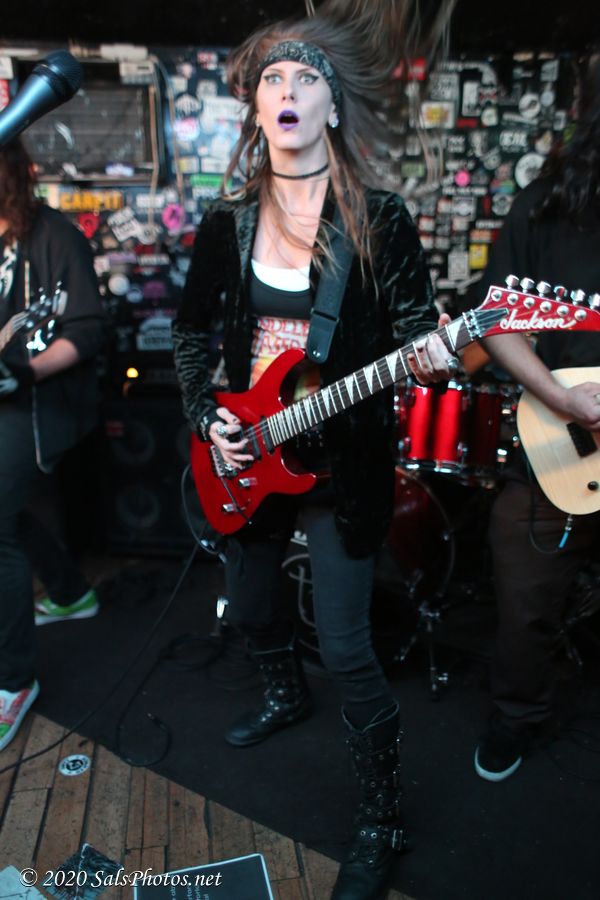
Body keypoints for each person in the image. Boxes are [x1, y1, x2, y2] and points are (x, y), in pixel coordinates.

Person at [172, 2, 457, 897]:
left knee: (343, 645)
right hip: (250, 451)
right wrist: (206, 416)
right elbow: (189, 335)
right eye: (273, 79)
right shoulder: (226, 222)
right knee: (252, 608)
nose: (288, 90)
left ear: (332, 106)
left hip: (342, 463)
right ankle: (280, 692)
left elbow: (416, 332)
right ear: (257, 107)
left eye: (307, 78)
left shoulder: (380, 218)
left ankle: (382, 816)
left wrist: (433, 355)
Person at [469, 48, 600, 782]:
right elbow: (495, 323)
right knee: (524, 594)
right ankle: (515, 716)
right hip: (560, 442)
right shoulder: (546, 206)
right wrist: (559, 396)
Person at [0, 138, 106, 751]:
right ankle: (70, 592)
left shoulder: (54, 236)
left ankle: (11, 681)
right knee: (6, 516)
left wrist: (25, 371)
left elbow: (86, 330)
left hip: (35, 402)